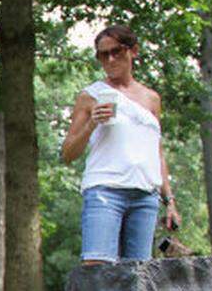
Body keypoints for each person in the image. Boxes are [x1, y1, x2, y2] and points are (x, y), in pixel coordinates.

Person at [61, 24, 182, 264]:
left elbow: (157, 154)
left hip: (145, 197)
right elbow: (67, 153)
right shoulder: (91, 95)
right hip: (105, 191)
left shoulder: (151, 99)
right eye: (103, 54)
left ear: (133, 51)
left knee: (137, 278)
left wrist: (169, 202)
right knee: (98, 271)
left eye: (116, 51)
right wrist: (91, 124)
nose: (110, 59)